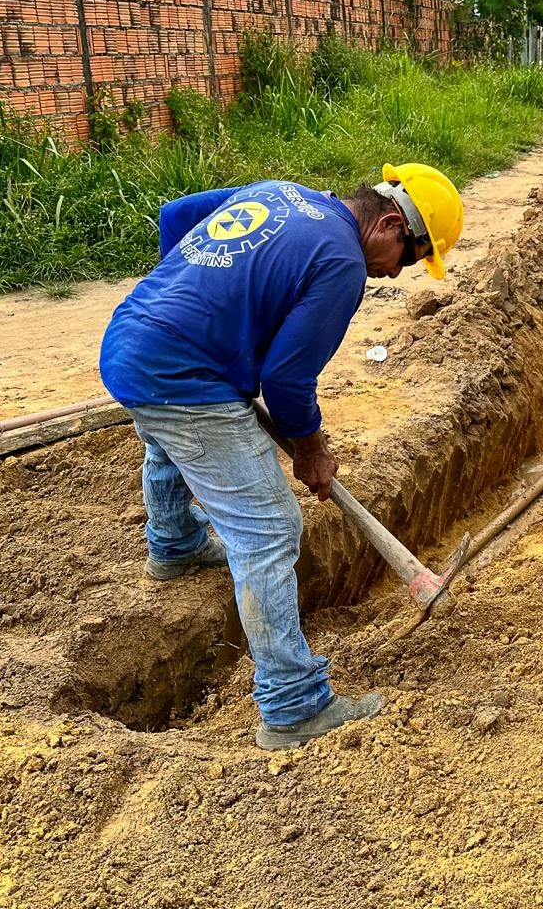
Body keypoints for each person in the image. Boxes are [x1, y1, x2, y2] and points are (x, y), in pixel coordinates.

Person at [99, 164, 463, 750]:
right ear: (391, 224)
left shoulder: (281, 193)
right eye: (410, 256)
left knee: (170, 438)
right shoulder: (343, 265)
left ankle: (175, 544)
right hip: (182, 373)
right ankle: (293, 703)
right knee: (269, 529)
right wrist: (312, 450)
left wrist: (188, 301)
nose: (397, 272)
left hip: (132, 341)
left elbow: (176, 216)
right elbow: (287, 379)